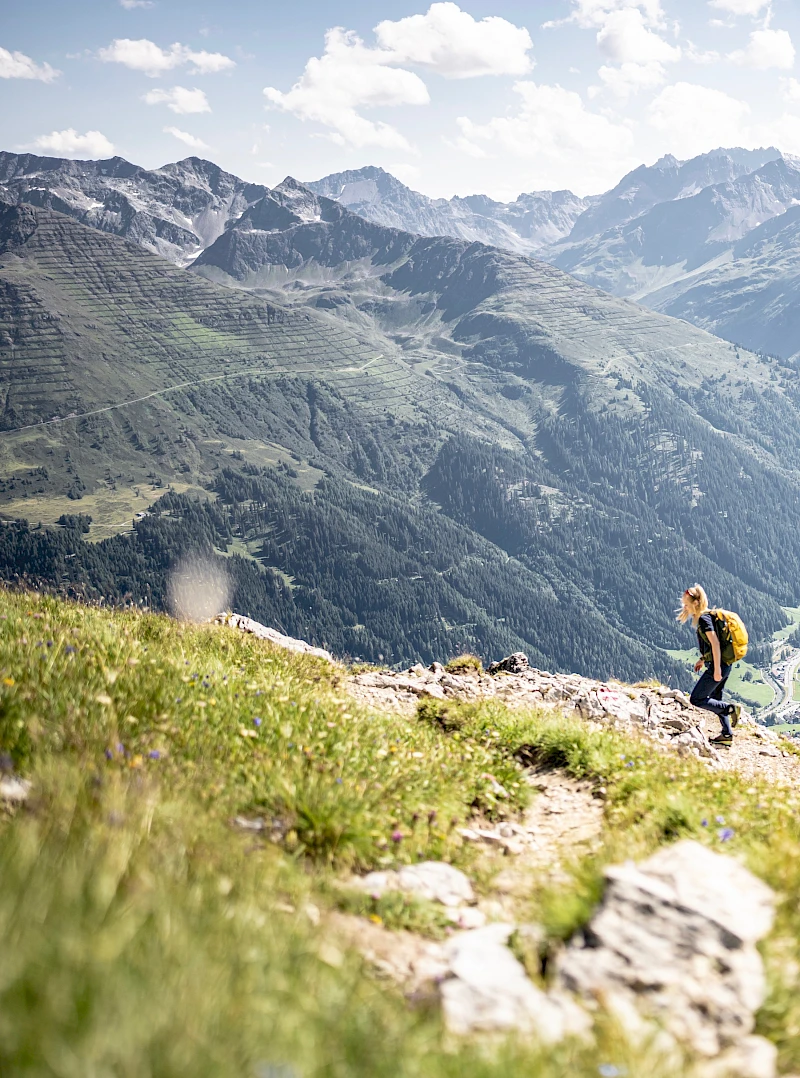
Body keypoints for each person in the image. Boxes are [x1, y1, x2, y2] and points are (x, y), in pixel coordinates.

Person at [677, 584, 742, 748]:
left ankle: (730, 709)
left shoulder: (704, 620)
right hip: (723, 664)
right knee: (716, 699)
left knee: (696, 699)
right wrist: (702, 659)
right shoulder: (707, 617)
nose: (684, 607)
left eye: (686, 604)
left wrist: (717, 670)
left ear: (696, 603)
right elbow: (712, 646)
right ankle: (726, 735)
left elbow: (715, 644)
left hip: (719, 666)